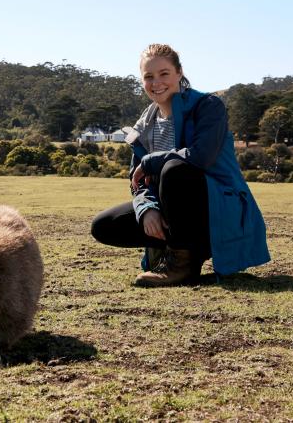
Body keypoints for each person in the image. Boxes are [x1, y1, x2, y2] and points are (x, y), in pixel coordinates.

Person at [90, 44, 270, 287]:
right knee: (103, 226)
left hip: (218, 206)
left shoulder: (208, 106)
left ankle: (183, 264)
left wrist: (150, 161)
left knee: (174, 170)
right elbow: (137, 180)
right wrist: (147, 209)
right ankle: (172, 245)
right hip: (171, 210)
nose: (157, 82)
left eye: (164, 74)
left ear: (179, 73)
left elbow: (200, 157)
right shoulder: (145, 123)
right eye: (149, 76)